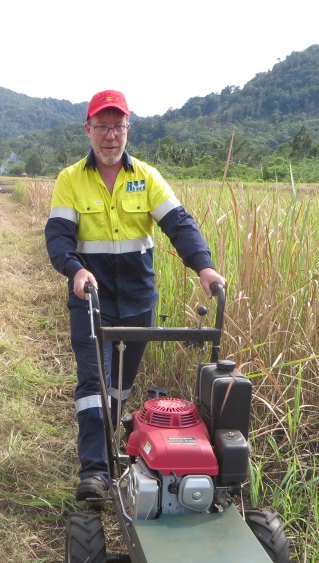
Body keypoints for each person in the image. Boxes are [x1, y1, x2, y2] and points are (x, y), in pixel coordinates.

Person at [45, 89, 225, 503]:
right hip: (91, 298)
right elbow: (58, 237)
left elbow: (179, 224)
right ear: (88, 129)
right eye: (102, 127)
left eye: (118, 126)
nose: (110, 136)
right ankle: (94, 471)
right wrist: (75, 270)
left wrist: (204, 266)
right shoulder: (71, 179)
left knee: (120, 387)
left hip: (139, 300)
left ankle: (120, 447)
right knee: (94, 384)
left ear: (128, 129)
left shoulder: (146, 176)